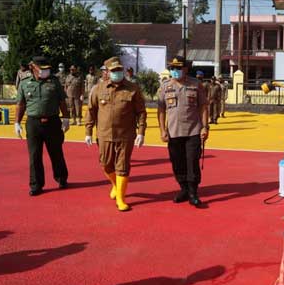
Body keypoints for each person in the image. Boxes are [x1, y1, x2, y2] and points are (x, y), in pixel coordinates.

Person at [84, 57, 147, 212]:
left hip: (125, 135)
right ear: (107, 72)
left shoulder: (133, 88)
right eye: (113, 71)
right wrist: (88, 132)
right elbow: (91, 111)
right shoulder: (98, 89)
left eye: (119, 70)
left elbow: (141, 112)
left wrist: (141, 132)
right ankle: (115, 185)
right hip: (104, 134)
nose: (117, 73)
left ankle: (120, 198)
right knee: (106, 164)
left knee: (122, 167)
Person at [157, 56, 209, 207]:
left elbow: (203, 107)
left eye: (178, 68)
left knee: (192, 161)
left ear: (185, 69)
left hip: (193, 130)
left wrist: (205, 127)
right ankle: (184, 189)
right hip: (173, 132)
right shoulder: (164, 86)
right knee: (177, 162)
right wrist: (162, 130)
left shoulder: (196, 84)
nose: (175, 71)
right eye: (173, 68)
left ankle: (193, 192)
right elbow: (161, 110)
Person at [15, 56, 70, 196]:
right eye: (42, 69)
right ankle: (36, 185)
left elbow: (62, 101)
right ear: (33, 67)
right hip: (33, 123)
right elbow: (20, 104)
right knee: (34, 155)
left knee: (56, 152)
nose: (46, 71)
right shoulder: (24, 83)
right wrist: (17, 122)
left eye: (47, 69)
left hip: (52, 122)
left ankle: (61, 178)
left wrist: (66, 118)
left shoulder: (54, 82)